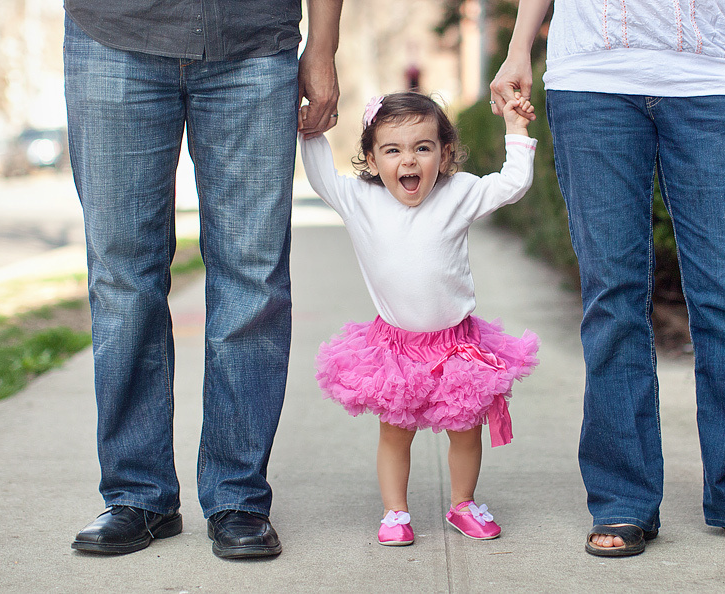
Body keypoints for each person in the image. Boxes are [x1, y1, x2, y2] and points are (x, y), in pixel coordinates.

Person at [490, 0, 725, 557]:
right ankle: (622, 498)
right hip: (591, 80)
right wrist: (520, 47)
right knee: (612, 295)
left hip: (716, 77)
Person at [64, 0, 342, 559]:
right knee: (123, 281)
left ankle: (237, 497)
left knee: (253, 277)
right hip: (114, 34)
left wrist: (323, 44)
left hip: (255, 42)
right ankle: (138, 495)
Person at [301, 92, 540, 546]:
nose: (408, 160)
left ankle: (463, 504)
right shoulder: (360, 201)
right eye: (392, 150)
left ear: (444, 153)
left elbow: (512, 184)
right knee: (395, 435)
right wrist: (311, 126)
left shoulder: (459, 193)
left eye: (422, 148)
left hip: (457, 346)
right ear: (372, 158)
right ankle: (395, 513)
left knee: (466, 433)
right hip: (395, 350)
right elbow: (320, 177)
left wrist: (516, 127)